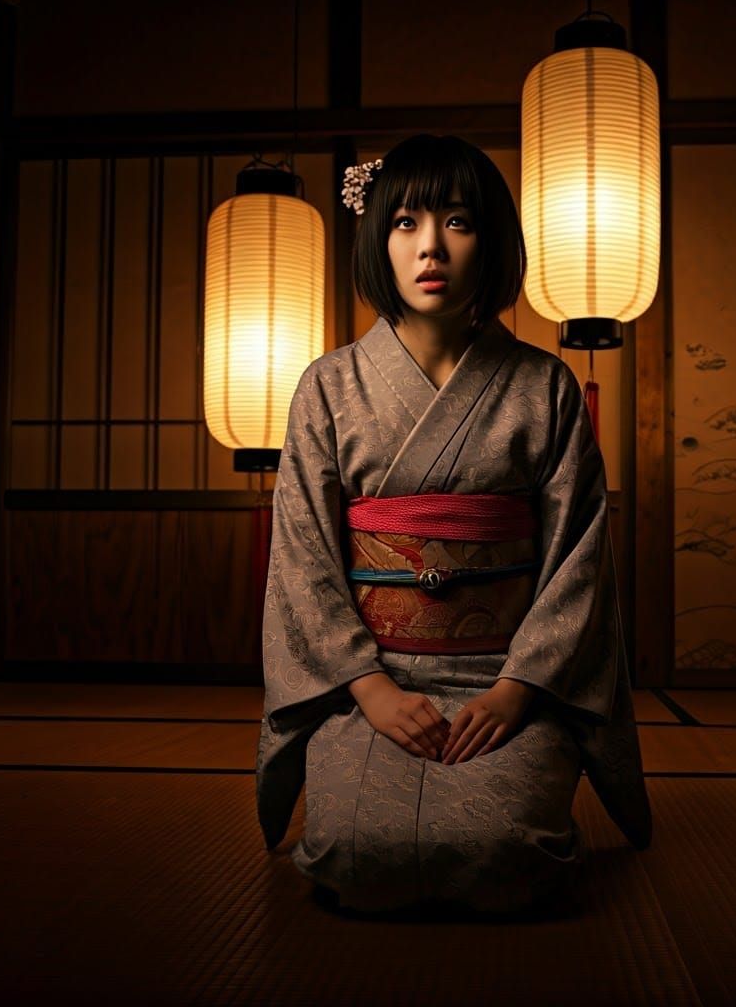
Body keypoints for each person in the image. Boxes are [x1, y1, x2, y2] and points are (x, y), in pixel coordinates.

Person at [255, 134, 651, 913]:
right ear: (379, 239)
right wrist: (367, 687)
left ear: (492, 240)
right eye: (405, 222)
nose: (430, 245)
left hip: (506, 681)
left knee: (504, 849)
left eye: (458, 221)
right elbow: (302, 558)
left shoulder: (546, 387)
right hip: (370, 679)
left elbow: (577, 559)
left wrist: (516, 691)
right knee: (354, 852)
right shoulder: (328, 388)